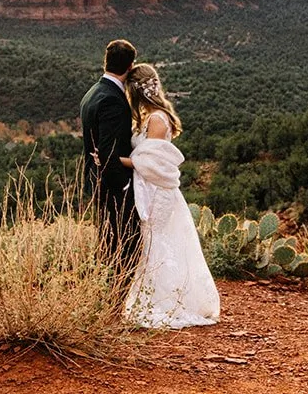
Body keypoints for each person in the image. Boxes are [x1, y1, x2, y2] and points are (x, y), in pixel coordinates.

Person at [123, 62, 220, 329]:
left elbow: (153, 164)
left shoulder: (155, 119)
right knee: (156, 242)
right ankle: (159, 299)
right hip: (152, 189)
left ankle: (166, 303)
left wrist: (120, 161)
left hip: (157, 191)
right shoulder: (155, 116)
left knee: (157, 243)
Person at [80, 39, 139, 273]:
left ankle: (107, 289)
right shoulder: (114, 99)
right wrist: (124, 185)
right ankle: (117, 297)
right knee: (122, 245)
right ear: (130, 66)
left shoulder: (92, 92)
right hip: (112, 185)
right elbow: (108, 152)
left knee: (108, 240)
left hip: (96, 180)